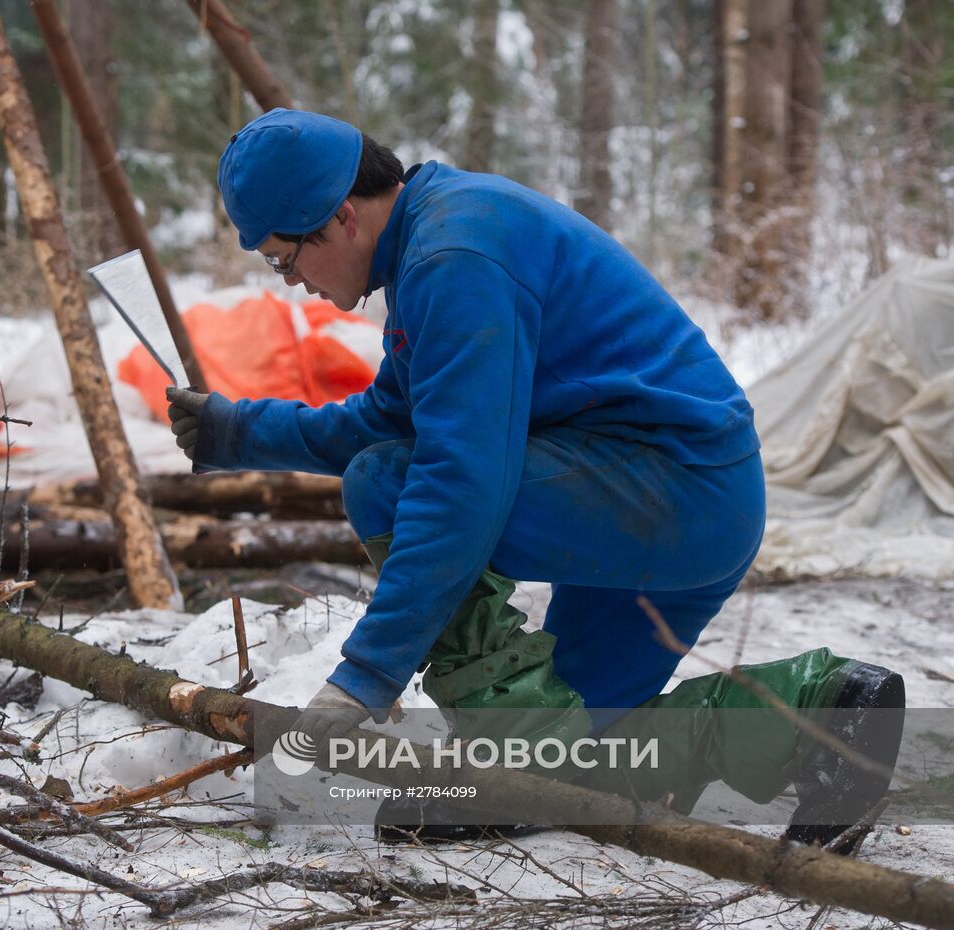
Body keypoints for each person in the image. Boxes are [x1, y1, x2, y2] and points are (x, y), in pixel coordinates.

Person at [166, 108, 904, 848]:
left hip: (672, 495)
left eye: (282, 259)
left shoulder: (454, 255)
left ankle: (504, 755)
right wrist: (236, 431)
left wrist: (365, 675)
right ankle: (826, 710)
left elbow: (457, 481)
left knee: (386, 485)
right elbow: (392, 418)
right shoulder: (438, 238)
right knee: (575, 760)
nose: (292, 283)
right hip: (668, 501)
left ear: (341, 218)